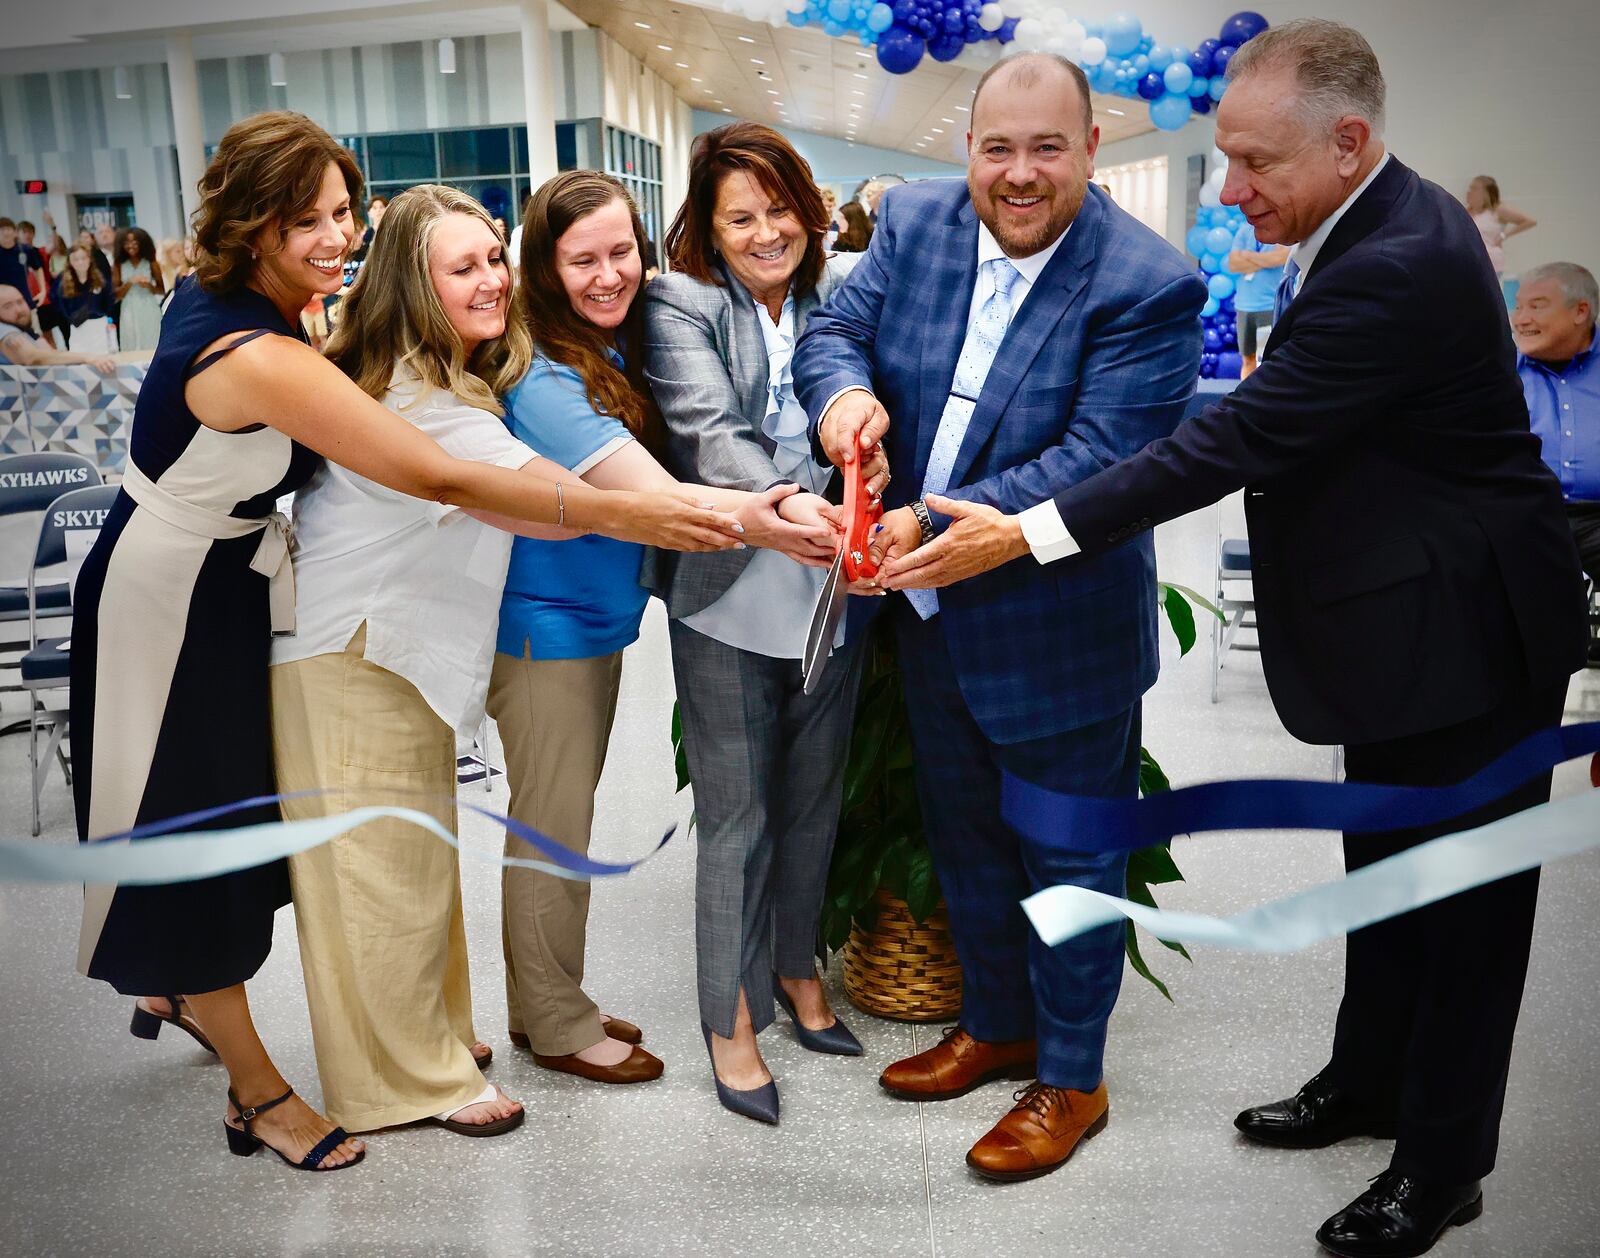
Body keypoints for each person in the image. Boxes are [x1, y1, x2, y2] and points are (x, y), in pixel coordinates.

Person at [871, 21, 1587, 1257]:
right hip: (1399, 625)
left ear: (1348, 141)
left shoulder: (1399, 258)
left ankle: (1441, 1164)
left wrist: (1015, 530)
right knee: (1388, 881)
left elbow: (1227, 444)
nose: (1232, 189)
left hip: (1471, 630)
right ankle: (1363, 1081)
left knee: (1464, 909)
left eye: (1254, 164)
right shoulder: (1355, 223)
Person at [70, 110, 741, 1175]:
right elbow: (435, 473)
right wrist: (646, 515)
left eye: (344, 212)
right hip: (172, 601)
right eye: (307, 220)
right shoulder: (256, 345)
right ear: (251, 224)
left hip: (237, 589)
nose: (336, 236)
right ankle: (268, 1086)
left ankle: (221, 997)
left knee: (302, 850)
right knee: (202, 845)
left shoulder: (284, 314)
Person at [796, 52, 1204, 1176]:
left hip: (1055, 625)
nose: (1018, 174)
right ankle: (997, 1023)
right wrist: (845, 399)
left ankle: (1070, 1080)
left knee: (1070, 864)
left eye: (1046, 148)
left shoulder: (1145, 282)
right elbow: (832, 332)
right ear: (962, 150)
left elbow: (1101, 458)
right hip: (930, 622)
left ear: (1090, 149)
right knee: (967, 840)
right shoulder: (917, 226)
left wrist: (926, 516)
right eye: (996, 148)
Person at [490, 169, 837, 1090]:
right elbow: (657, 493)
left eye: (622, 252)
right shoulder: (547, 375)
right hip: (545, 625)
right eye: (582, 260)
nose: (611, 275)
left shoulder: (608, 344)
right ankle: (558, 1024)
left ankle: (543, 1000)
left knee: (560, 814)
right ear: (542, 266)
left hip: (590, 621)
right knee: (551, 826)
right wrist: (772, 515)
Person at [647, 122, 891, 1124]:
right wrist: (800, 507)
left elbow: (875, 405)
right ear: (706, 226)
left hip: (833, 588)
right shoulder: (682, 303)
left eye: (778, 210)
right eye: (738, 217)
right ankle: (729, 1022)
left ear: (810, 209)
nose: (763, 233)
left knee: (812, 799)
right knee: (736, 819)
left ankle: (797, 973)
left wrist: (875, 468)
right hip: (734, 587)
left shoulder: (838, 297)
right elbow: (711, 433)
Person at [1514, 262, 1600, 582]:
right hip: (1525, 517)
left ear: (1580, 311)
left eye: (1537, 307)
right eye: (1519, 306)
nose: (1521, 319)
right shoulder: (1498, 369)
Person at [0, 283, 115, 371]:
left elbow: (48, 354)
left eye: (20, 302)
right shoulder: (6, 332)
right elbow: (33, 358)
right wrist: (88, 357)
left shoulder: (23, 330)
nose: (19, 310)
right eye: (7, 306)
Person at [1227, 220, 1289, 375]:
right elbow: (1233, 264)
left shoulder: (1279, 228)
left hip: (1269, 306)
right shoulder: (1244, 230)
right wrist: (1265, 260)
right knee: (1248, 358)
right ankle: (1245, 396)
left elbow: (1280, 259)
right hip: (1244, 306)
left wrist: (1248, 256)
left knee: (1267, 359)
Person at [1465, 175, 1535, 307]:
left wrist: (1504, 235)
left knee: (1490, 297)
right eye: (1470, 188)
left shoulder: (1497, 209)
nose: (1469, 191)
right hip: (1472, 260)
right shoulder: (1468, 211)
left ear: (1485, 192)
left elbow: (1529, 221)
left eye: (1474, 188)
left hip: (1491, 260)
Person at [49, 244, 116, 347]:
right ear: (70, 262)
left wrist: (100, 314)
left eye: (83, 258)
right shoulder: (63, 282)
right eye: (76, 259)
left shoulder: (99, 279)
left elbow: (109, 300)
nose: (80, 262)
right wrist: (72, 318)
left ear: (89, 259)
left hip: (99, 327)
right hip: (78, 329)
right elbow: (60, 304)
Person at [113, 227, 164, 351]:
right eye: (127, 243)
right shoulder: (118, 264)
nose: (131, 246)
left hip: (149, 306)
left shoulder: (151, 262)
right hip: (128, 308)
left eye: (135, 242)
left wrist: (148, 286)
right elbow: (116, 295)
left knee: (153, 340)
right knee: (130, 342)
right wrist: (130, 283)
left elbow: (161, 290)